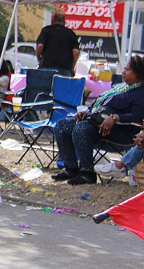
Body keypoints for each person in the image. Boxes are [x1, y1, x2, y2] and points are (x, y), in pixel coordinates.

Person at [52, 57, 144, 185]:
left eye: (128, 70)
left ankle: (87, 173)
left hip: (121, 130)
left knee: (82, 128)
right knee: (62, 125)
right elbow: (101, 106)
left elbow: (136, 116)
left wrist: (115, 118)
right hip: (97, 121)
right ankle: (71, 168)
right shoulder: (120, 88)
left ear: (138, 74)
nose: (123, 72)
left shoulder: (140, 93)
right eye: (124, 69)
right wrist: (86, 112)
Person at [36, 12, 80, 76]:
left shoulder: (46, 30)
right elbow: (76, 52)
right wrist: (72, 67)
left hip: (46, 67)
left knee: (44, 85)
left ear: (53, 21)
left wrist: (39, 58)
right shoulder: (71, 34)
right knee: (62, 86)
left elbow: (40, 46)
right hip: (65, 68)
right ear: (64, 23)